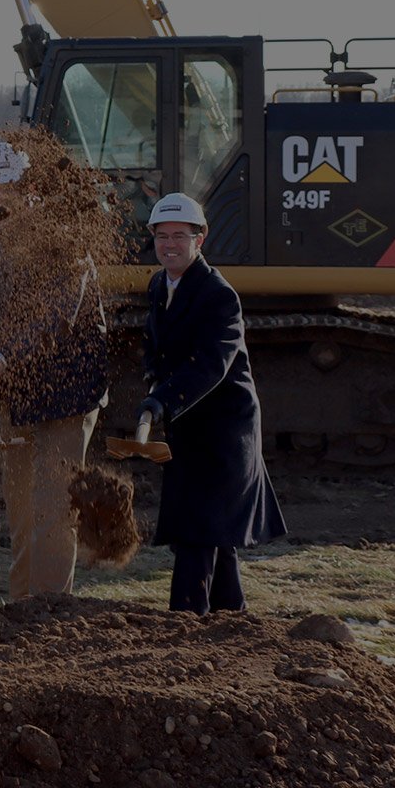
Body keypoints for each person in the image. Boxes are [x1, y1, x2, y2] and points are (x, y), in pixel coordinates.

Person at [0, 142, 109, 599]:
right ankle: (22, 605)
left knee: (54, 506)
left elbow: (57, 316)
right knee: (20, 506)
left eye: (7, 186)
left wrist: (4, 359)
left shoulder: (65, 236)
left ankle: (51, 610)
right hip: (16, 390)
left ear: (31, 187)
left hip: (66, 391)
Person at [141, 192, 287, 613]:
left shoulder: (219, 295)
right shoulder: (159, 284)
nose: (169, 244)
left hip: (224, 432)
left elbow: (212, 364)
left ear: (199, 239)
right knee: (212, 529)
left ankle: (185, 622)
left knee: (198, 529)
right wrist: (153, 380)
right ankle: (230, 615)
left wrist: (162, 400)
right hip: (189, 424)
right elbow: (154, 344)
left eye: (179, 236)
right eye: (162, 236)